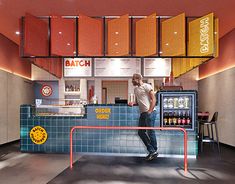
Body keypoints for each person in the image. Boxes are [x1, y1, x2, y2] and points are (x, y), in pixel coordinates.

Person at [130, 73, 158, 161]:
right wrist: (133, 103)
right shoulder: (135, 90)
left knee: (150, 132)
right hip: (143, 113)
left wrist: (149, 111)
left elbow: (154, 99)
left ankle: (153, 151)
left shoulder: (147, 86)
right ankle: (152, 151)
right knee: (141, 132)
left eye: (133, 79)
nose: (132, 81)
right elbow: (139, 101)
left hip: (150, 112)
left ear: (138, 79)